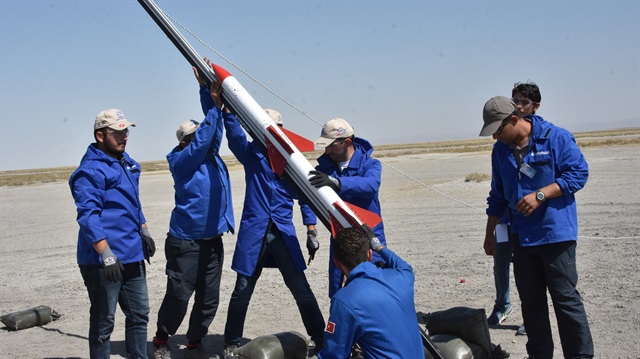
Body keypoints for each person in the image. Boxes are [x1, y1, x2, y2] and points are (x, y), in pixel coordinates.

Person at [480, 96, 594, 359]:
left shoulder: (556, 138)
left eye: (498, 130)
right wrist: (489, 235)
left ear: (513, 120)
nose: (495, 137)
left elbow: (578, 174)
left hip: (555, 235)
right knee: (531, 305)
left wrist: (541, 194)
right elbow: (497, 195)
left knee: (565, 301)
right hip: (521, 237)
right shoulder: (500, 152)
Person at [220, 103, 325, 357]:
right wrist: (227, 111)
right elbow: (234, 136)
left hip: (282, 234)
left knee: (300, 288)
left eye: (277, 129)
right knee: (242, 291)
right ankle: (231, 343)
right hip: (254, 234)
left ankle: (320, 338)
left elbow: (306, 196)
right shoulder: (251, 154)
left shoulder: (292, 160)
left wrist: (311, 231)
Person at [152, 70, 235, 359]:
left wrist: (205, 90)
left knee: (209, 298)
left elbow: (213, 135)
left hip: (212, 241)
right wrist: (214, 107)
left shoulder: (208, 155)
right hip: (185, 243)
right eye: (195, 135)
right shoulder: (181, 160)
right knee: (179, 296)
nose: (202, 136)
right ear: (185, 141)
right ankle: (162, 338)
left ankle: (196, 340)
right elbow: (203, 141)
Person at [69, 108, 156, 359]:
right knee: (103, 322)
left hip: (131, 255)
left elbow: (132, 204)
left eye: (125, 131)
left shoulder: (128, 164)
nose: (124, 136)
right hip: (103, 261)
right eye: (117, 132)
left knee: (139, 314)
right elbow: (88, 217)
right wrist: (106, 254)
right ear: (100, 135)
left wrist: (145, 231)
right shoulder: (90, 171)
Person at [316, 225, 423, 358]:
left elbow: (334, 354)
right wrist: (378, 246)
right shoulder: (402, 277)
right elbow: (402, 265)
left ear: (337, 262)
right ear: (370, 254)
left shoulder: (344, 300)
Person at [487, 82, 542, 331]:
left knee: (529, 270)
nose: (518, 105)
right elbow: (497, 193)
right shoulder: (501, 148)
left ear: (535, 106)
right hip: (506, 219)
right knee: (501, 259)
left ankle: (530, 317)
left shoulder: (543, 140)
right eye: (515, 100)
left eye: (523, 102)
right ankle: (502, 305)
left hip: (530, 221)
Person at [309, 118, 385, 298]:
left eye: (330, 145)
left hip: (369, 237)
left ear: (347, 142)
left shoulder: (370, 165)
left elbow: (370, 185)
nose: (326, 151)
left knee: (373, 290)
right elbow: (306, 197)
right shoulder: (324, 170)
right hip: (340, 239)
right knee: (339, 294)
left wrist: (337, 183)